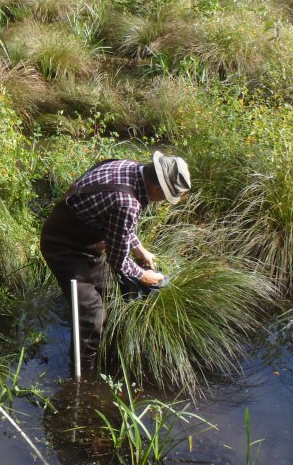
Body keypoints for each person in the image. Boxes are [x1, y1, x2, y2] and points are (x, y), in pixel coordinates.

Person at [40, 152, 191, 374]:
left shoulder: (128, 168)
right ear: (158, 189)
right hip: (63, 246)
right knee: (92, 318)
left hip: (86, 242)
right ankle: (82, 376)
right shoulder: (127, 203)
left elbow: (115, 220)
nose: (164, 203)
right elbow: (118, 260)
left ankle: (99, 345)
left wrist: (140, 249)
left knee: (110, 295)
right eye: (167, 197)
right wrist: (143, 275)